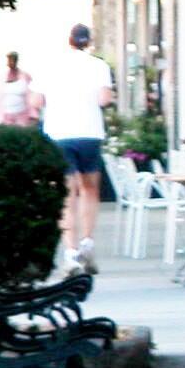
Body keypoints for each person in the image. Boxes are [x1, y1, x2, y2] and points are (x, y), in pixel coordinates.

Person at [40, 23, 116, 273]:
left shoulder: (50, 66)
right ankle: (88, 242)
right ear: (88, 42)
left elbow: (35, 100)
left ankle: (70, 253)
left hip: (59, 134)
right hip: (90, 133)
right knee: (89, 189)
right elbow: (104, 99)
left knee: (66, 194)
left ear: (69, 41)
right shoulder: (99, 65)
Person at [0, 52, 43, 129]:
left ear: (16, 61)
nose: (10, 62)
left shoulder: (25, 76)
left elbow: (32, 95)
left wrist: (34, 114)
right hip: (5, 117)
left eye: (13, 60)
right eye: (9, 60)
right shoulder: (2, 78)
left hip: (22, 116)